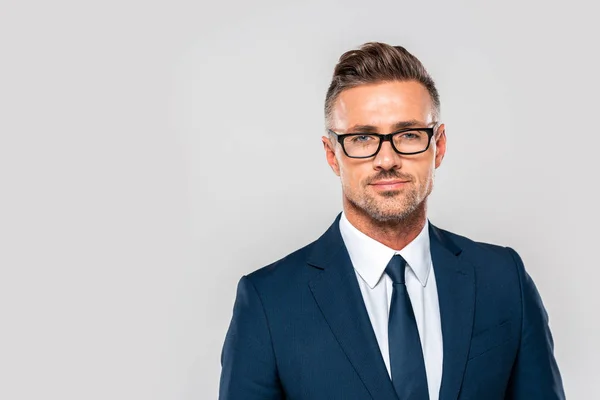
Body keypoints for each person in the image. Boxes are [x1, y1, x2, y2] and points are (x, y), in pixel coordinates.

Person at [218, 42, 565, 400]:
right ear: (332, 155)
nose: (387, 159)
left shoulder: (503, 279)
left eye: (409, 135)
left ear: (439, 146)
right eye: (363, 137)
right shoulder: (269, 301)